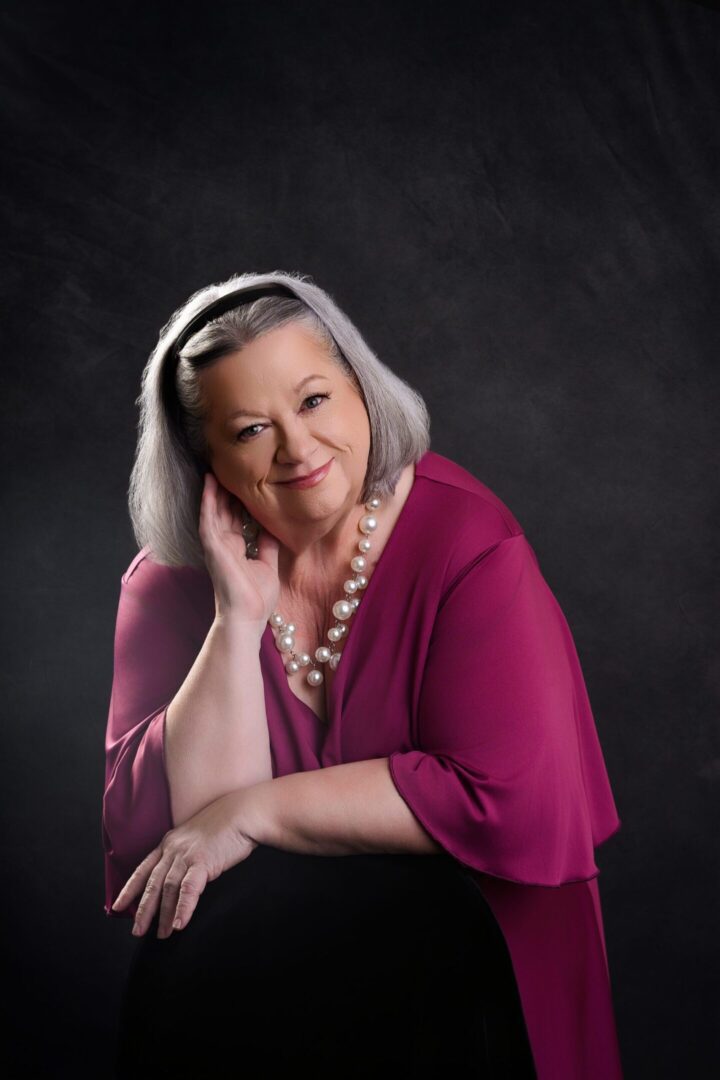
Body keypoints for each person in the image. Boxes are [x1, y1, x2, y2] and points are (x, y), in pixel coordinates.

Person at [102, 270, 624, 1078]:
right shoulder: (165, 587)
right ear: (203, 461)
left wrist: (256, 813)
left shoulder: (471, 544)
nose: (299, 449)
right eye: (249, 430)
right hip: (273, 991)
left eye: (314, 401)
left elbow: (499, 798)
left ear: (361, 390)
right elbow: (186, 851)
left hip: (478, 980)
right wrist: (235, 621)